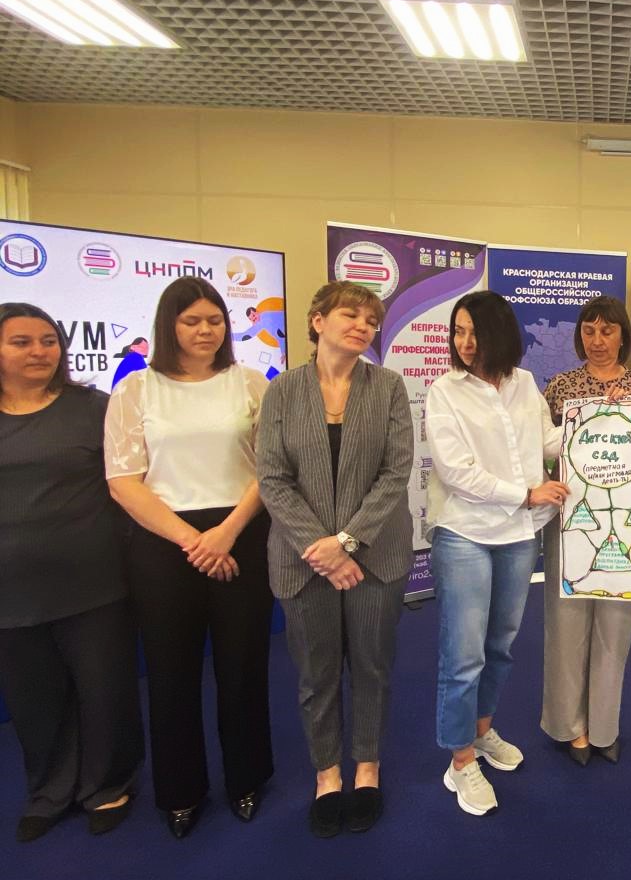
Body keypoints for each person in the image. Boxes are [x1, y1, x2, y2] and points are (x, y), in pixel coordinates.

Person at [105, 277, 274, 839]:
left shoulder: (251, 384)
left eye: (215, 320)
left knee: (243, 666)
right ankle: (181, 792)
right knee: (171, 674)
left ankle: (247, 777)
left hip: (240, 532)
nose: (206, 330)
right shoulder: (136, 390)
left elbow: (270, 470)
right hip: (164, 539)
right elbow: (123, 481)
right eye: (192, 321)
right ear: (168, 325)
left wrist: (225, 533)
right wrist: (193, 540)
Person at [257, 281, 412, 838]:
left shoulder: (388, 387)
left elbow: (396, 472)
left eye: (371, 320)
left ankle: (367, 768)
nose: (363, 326)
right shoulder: (282, 391)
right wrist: (321, 549)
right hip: (304, 561)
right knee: (316, 674)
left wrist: (346, 542)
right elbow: (272, 478)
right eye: (351, 315)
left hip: (375, 556)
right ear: (317, 321)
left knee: (372, 666)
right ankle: (327, 775)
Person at [0, 303, 143, 842]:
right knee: (34, 698)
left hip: (93, 581)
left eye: (48, 341)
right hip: (11, 590)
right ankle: (49, 791)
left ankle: (107, 785)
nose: (39, 351)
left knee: (105, 689)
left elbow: (132, 482)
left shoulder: (95, 409)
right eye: (21, 342)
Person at [426, 290, 568, 816]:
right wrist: (525, 493)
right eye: (458, 331)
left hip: (517, 535)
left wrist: (602, 423)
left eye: (475, 332)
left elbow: (548, 443)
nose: (465, 342)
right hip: (464, 532)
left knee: (501, 645)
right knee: (464, 655)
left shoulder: (525, 383)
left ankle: (481, 731)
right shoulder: (444, 391)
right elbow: (454, 471)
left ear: (500, 334)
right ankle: (460, 759)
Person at [541, 296, 631, 766]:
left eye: (607, 331)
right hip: (570, 519)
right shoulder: (561, 388)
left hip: (624, 523)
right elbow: (542, 452)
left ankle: (604, 725)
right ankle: (570, 726)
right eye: (589, 331)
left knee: (615, 625)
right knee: (566, 623)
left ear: (623, 335)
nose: (598, 340)